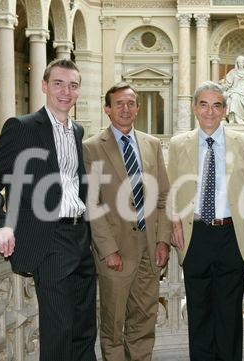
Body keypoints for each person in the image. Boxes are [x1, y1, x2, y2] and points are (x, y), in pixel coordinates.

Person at [0, 59, 96, 361]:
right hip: (50, 239)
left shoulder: (77, 131)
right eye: (58, 83)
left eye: (72, 85)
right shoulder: (22, 127)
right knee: (59, 330)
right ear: (44, 86)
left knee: (84, 325)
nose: (65, 91)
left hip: (81, 236)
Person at [167, 80, 244, 361]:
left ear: (225, 109)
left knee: (229, 312)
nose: (210, 111)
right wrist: (173, 224)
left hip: (232, 235)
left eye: (216, 105)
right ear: (195, 108)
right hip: (195, 235)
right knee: (199, 311)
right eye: (204, 104)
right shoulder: (177, 144)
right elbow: (171, 190)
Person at [83, 82, 171, 361]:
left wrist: (163, 240)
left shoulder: (152, 144)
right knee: (113, 324)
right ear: (107, 109)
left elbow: (163, 195)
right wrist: (108, 249)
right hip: (116, 253)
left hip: (149, 250)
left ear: (138, 107)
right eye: (118, 103)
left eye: (131, 103)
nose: (125, 109)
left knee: (144, 321)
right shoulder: (92, 148)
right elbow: (92, 203)